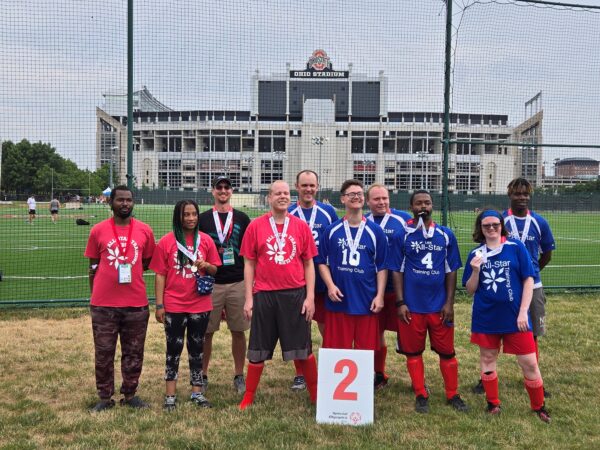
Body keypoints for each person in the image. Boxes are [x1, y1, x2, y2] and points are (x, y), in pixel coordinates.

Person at [463, 209, 551, 423]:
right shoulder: (476, 254)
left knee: (529, 362)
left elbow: (528, 279)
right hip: (486, 317)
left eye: (495, 224)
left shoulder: (515, 247)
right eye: (486, 226)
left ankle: (539, 406)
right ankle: (493, 403)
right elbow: (470, 289)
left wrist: (523, 312)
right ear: (480, 229)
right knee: (487, 358)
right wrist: (475, 271)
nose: (491, 228)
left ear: (502, 226)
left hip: (515, 318)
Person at [238, 180, 318, 410]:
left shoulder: (301, 226)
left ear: (290, 197)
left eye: (286, 193)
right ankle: (249, 396)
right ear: (269, 198)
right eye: (277, 193)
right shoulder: (255, 226)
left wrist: (310, 297)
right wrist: (249, 298)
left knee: (303, 348)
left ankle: (314, 395)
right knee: (258, 349)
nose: (282, 196)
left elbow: (309, 263)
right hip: (265, 295)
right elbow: (249, 264)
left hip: (294, 294)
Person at [473, 178, 555, 397]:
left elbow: (546, 252)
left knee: (531, 333)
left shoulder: (539, 222)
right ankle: (486, 379)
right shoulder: (500, 221)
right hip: (501, 286)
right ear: (510, 195)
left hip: (532, 285)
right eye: (517, 194)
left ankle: (533, 375)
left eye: (525, 194)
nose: (522, 198)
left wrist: (532, 271)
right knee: (493, 333)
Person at [388, 190, 468, 413]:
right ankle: (420, 393)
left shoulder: (445, 234)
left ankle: (453, 394)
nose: (423, 206)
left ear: (433, 206)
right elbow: (396, 270)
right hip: (412, 307)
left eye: (427, 202)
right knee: (413, 353)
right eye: (419, 203)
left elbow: (451, 270)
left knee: (448, 353)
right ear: (411, 207)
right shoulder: (401, 235)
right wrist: (401, 302)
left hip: (439, 306)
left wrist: (449, 303)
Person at [84, 185, 156, 412]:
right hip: (104, 305)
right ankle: (105, 397)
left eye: (128, 200)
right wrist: (95, 295)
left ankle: (130, 393)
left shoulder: (145, 230)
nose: (125, 204)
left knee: (134, 352)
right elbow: (93, 266)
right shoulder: (98, 230)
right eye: (120, 200)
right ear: (110, 202)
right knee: (103, 353)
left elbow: (146, 262)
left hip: (136, 304)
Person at [150, 200, 221, 410]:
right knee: (173, 349)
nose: (191, 218)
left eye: (194, 214)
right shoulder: (166, 242)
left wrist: (207, 265)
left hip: (200, 304)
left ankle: (197, 392)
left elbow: (215, 270)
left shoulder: (206, 240)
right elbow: (160, 275)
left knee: (197, 349)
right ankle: (170, 395)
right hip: (174, 305)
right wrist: (159, 305)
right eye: (186, 214)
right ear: (178, 217)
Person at [317, 180, 388, 352]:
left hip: (366, 299)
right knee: (337, 349)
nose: (356, 197)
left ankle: (368, 378)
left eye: (359, 194)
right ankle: (334, 379)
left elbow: (382, 267)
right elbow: (322, 262)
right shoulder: (332, 230)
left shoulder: (375, 231)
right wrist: (330, 286)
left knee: (366, 350)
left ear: (364, 199)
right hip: (339, 299)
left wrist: (379, 295)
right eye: (351, 194)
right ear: (343, 199)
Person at [197, 176, 251, 395]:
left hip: (237, 281)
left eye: (226, 187)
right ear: (213, 191)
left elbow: (248, 253)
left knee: (238, 331)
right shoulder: (202, 218)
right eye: (219, 187)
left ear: (231, 191)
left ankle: (239, 375)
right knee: (206, 332)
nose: (223, 190)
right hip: (212, 283)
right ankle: (203, 374)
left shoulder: (242, 218)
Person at [287, 170, 338, 391]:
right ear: (296, 187)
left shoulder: (328, 212)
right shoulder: (288, 212)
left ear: (317, 187)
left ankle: (327, 369)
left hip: (322, 278)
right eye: (304, 185)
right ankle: (300, 373)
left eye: (312, 186)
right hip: (297, 279)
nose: (308, 189)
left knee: (326, 326)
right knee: (300, 328)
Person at [365, 183, 410, 389]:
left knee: (409, 335)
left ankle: (417, 380)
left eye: (384, 198)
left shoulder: (403, 219)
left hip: (401, 288)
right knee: (376, 333)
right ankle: (379, 373)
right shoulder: (363, 220)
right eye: (376, 199)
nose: (381, 202)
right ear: (368, 201)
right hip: (373, 289)